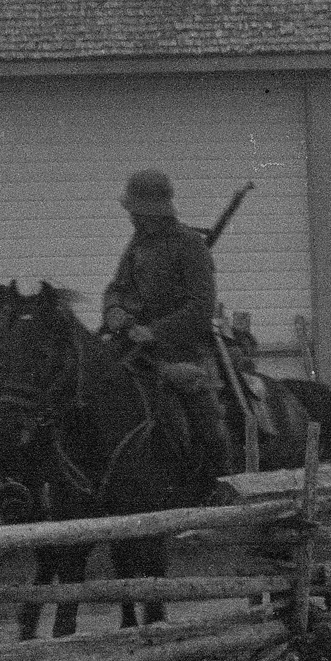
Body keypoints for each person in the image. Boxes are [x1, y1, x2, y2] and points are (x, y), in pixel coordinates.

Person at [102, 170, 233, 479]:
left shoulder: (190, 246)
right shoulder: (137, 243)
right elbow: (116, 287)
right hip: (133, 348)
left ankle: (220, 483)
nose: (131, 217)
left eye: (135, 210)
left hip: (181, 352)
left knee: (208, 425)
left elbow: (200, 308)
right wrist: (113, 309)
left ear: (151, 211)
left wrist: (154, 331)